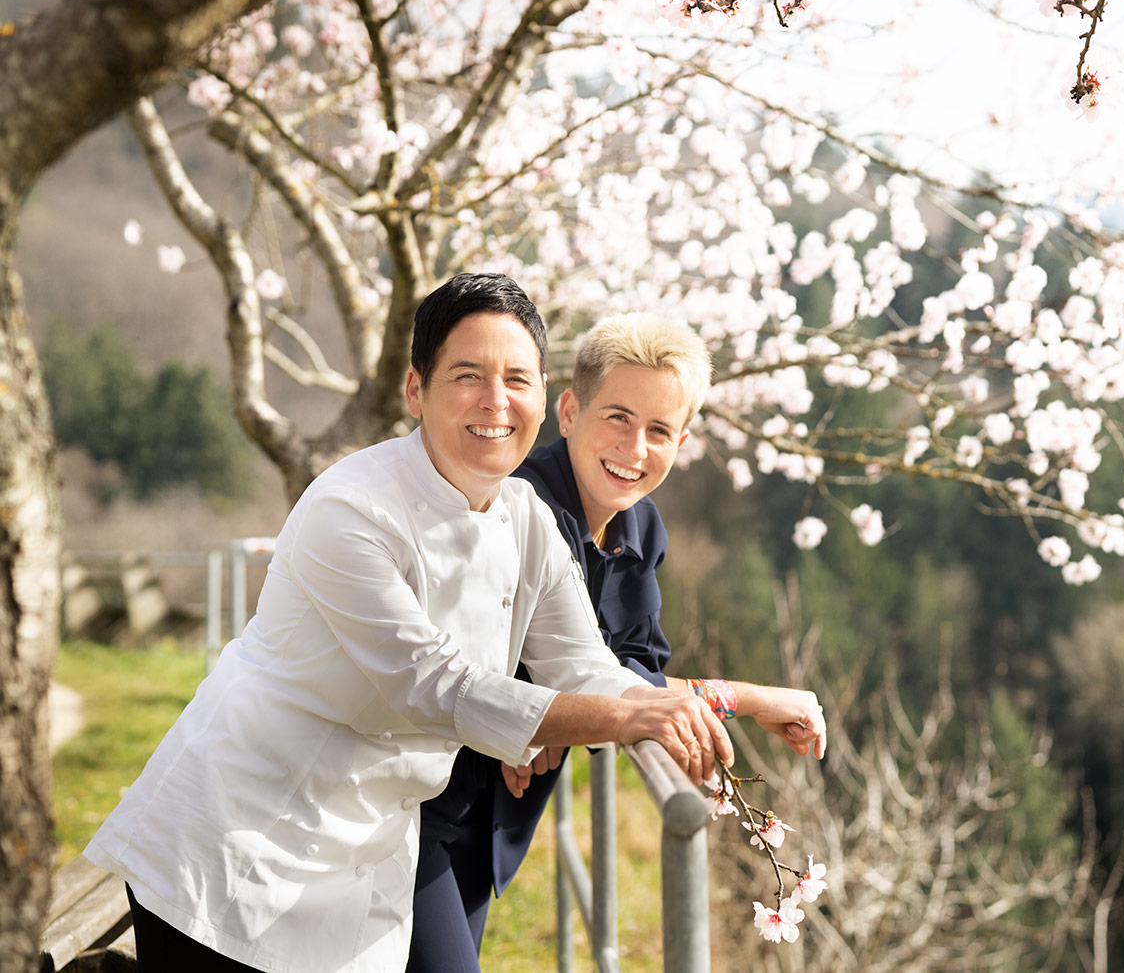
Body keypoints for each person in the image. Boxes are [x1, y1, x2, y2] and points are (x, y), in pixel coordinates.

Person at [83, 275, 732, 973]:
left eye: (518, 378)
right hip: (234, 840)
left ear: (545, 399)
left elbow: (581, 659)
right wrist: (620, 718)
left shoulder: (527, 517)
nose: (496, 401)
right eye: (467, 375)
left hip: (365, 847)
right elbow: (434, 686)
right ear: (415, 390)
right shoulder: (350, 508)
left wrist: (656, 705)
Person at [407, 313, 826, 973]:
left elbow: (630, 675)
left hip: (488, 825)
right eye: (618, 417)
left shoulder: (641, 529)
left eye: (659, 429)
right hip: (419, 802)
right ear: (569, 410)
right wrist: (749, 698)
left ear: (682, 441)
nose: (635, 447)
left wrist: (572, 708)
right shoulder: (515, 505)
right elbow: (486, 662)